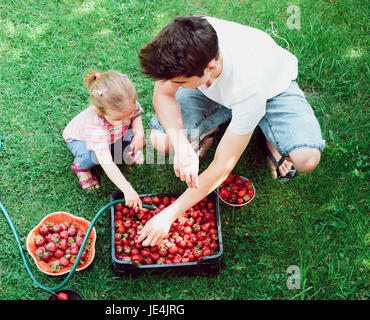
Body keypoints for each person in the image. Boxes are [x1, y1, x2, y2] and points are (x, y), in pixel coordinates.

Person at [136, 15, 325, 246]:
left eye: (180, 83)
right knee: (161, 141)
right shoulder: (187, 38)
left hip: (272, 92)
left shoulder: (249, 86)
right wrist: (180, 143)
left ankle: (268, 135)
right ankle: (213, 127)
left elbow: (221, 166)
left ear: (210, 67)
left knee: (307, 158)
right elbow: (163, 94)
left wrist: (169, 214)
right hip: (210, 89)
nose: (175, 86)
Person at [62, 70, 146, 208]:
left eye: (129, 114)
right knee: (92, 158)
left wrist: (139, 133)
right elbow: (106, 162)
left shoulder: (128, 103)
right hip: (80, 140)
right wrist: (128, 189)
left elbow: (136, 115)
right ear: (101, 111)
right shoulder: (96, 127)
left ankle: (124, 150)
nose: (127, 119)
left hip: (113, 135)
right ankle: (81, 167)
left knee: (131, 137)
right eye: (120, 118)